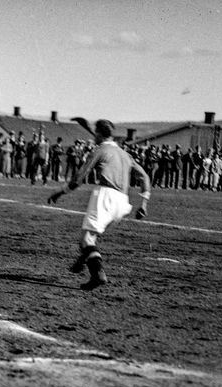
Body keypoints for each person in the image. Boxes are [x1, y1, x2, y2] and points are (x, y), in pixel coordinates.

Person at [47, 119, 151, 290]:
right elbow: (144, 177)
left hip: (106, 195)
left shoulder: (101, 150)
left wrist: (60, 192)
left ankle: (98, 274)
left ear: (100, 133)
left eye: (95, 132)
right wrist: (144, 204)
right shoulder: (125, 154)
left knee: (86, 238)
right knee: (90, 238)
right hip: (122, 202)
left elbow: (80, 177)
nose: (93, 135)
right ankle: (83, 260)